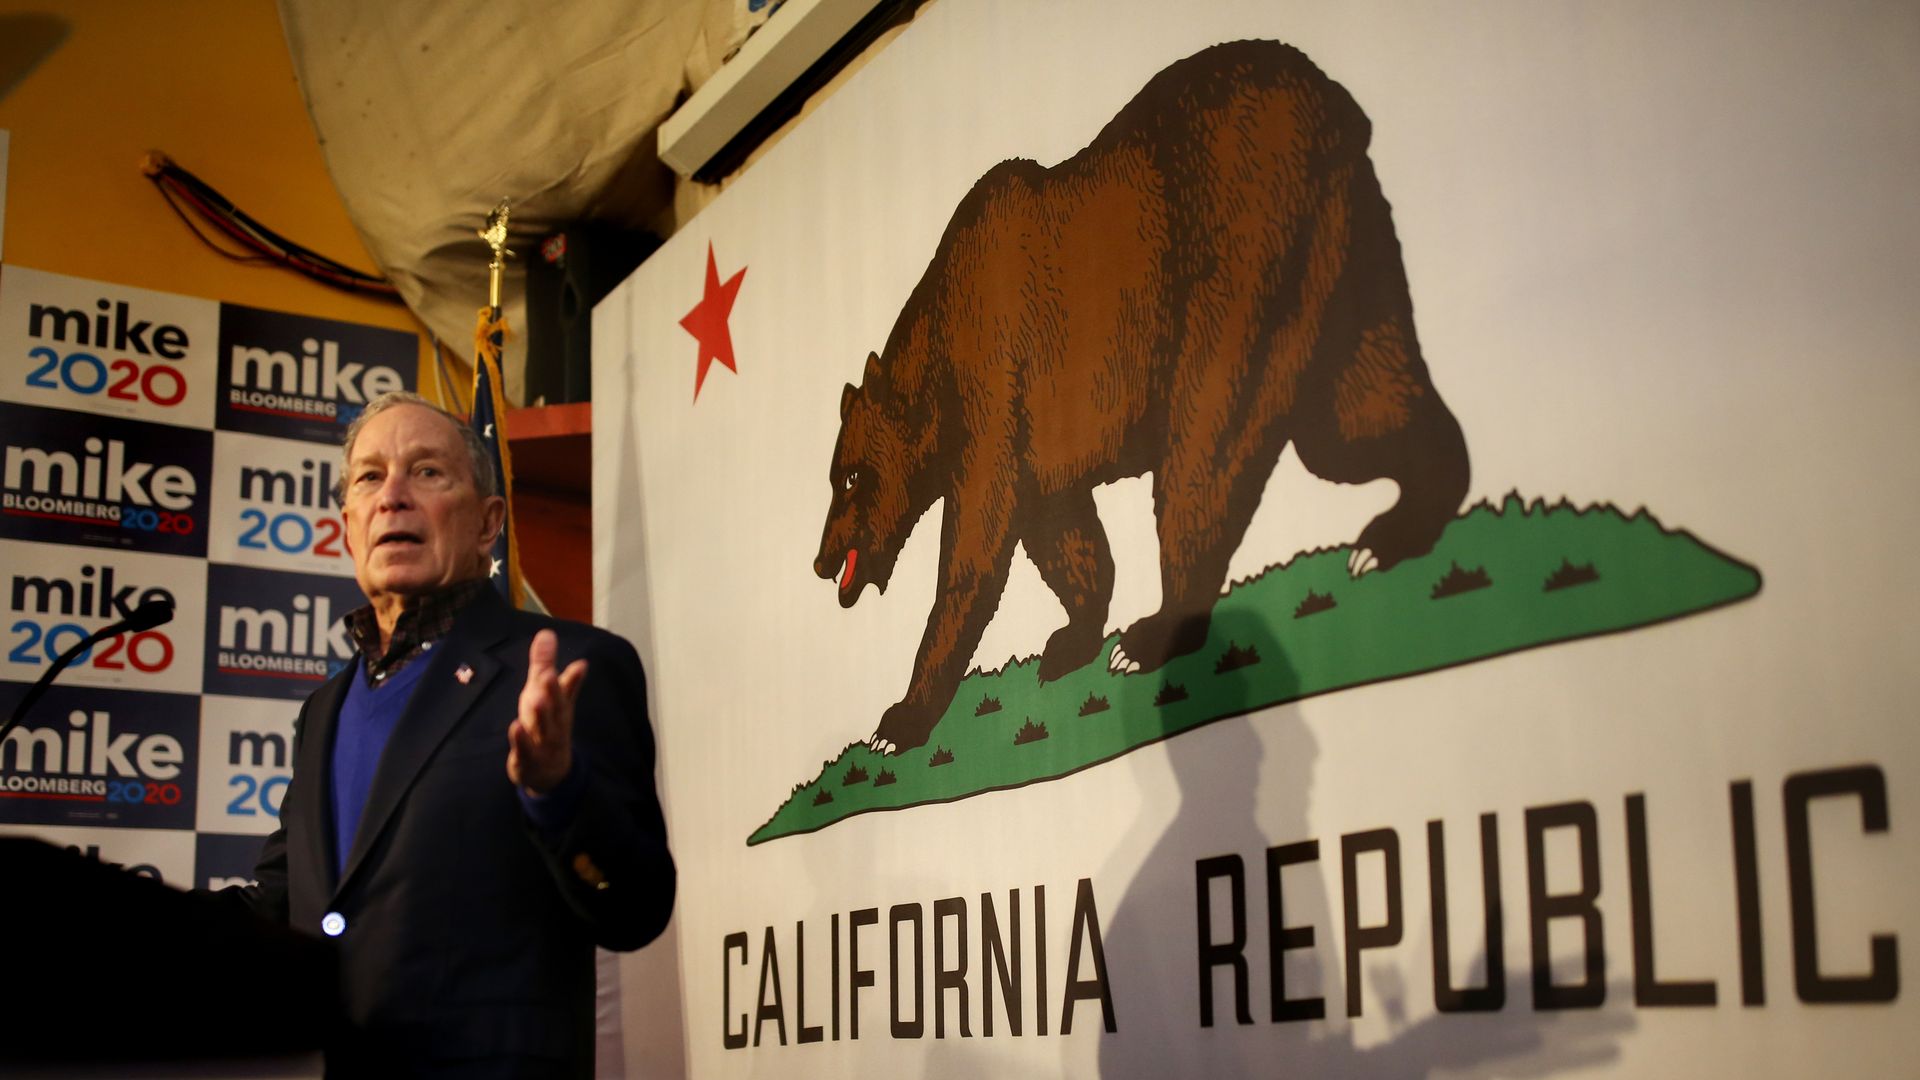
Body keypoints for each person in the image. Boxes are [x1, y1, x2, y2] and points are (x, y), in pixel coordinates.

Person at [226, 391, 675, 1077]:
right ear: (348, 526)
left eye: (427, 472)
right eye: (369, 477)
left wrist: (558, 792)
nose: (392, 497)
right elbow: (279, 902)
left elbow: (636, 907)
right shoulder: (323, 710)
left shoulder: (565, 668)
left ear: (488, 523)